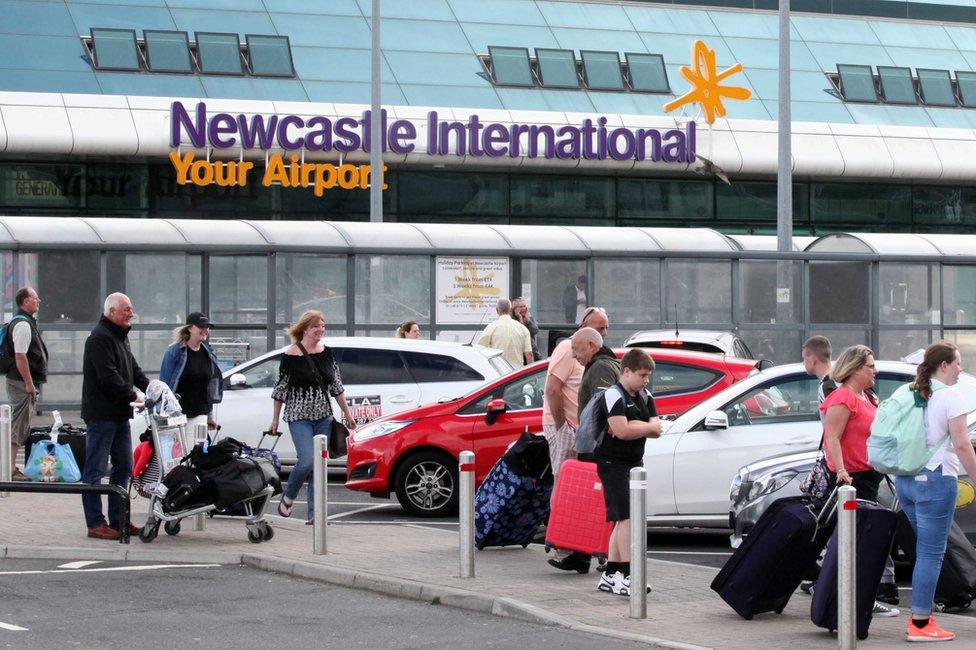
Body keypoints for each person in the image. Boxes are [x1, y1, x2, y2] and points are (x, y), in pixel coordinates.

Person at [896, 341, 976, 642]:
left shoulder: (905, 392)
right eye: (957, 363)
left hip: (905, 480)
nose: (960, 369)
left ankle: (922, 618)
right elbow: (962, 444)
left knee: (924, 552)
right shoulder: (951, 398)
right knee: (931, 554)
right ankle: (919, 623)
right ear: (943, 365)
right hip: (935, 480)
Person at [820, 344, 899, 617]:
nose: (875, 370)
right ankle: (855, 600)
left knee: (862, 540)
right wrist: (841, 471)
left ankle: (855, 598)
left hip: (869, 477)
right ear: (855, 369)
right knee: (857, 541)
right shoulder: (843, 398)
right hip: (852, 481)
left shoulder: (866, 397)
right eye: (870, 366)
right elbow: (832, 437)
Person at [270, 310, 357, 525]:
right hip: (299, 417)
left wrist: (347, 413)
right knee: (306, 460)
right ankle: (288, 497)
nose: (321, 330)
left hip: (324, 417)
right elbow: (280, 391)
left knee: (319, 465)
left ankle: (315, 515)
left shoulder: (328, 353)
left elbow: (336, 386)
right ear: (305, 329)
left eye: (323, 326)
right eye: (316, 326)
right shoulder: (290, 355)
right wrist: (274, 419)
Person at [545, 306, 610, 573]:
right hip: (568, 428)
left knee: (583, 492)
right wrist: (563, 427)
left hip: (581, 432)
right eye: (600, 328)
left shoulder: (597, 358)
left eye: (606, 328)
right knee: (565, 488)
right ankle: (568, 548)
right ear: (585, 328)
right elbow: (552, 389)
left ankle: (578, 552)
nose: (605, 333)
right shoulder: (568, 349)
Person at [81, 293, 149, 540]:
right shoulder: (99, 338)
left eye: (130, 309)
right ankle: (95, 523)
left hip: (120, 414)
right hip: (101, 415)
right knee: (95, 470)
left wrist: (152, 389)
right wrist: (134, 395)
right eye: (126, 310)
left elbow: (133, 370)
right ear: (111, 312)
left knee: (124, 467)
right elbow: (108, 377)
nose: (130, 313)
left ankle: (120, 519)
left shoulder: (120, 337)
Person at [596, 349, 661, 596]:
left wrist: (638, 426)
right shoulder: (613, 395)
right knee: (627, 518)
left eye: (648, 376)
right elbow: (621, 430)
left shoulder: (646, 396)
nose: (646, 380)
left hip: (635, 463)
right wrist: (644, 426)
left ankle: (610, 574)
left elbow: (657, 429)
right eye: (642, 375)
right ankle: (629, 574)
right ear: (626, 371)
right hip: (612, 464)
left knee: (623, 520)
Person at [5, 287, 47, 481]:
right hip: (21, 383)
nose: (38, 300)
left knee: (19, 424)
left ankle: (9, 466)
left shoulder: (25, 322)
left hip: (21, 381)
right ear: (25, 301)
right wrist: (29, 384)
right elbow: (21, 356)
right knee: (18, 425)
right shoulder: (22, 324)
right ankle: (10, 469)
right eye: (35, 298)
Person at [159, 312, 223, 432]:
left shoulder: (209, 354)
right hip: (177, 415)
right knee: (179, 450)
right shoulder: (174, 353)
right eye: (201, 327)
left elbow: (209, 388)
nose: (205, 330)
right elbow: (164, 386)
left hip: (200, 414)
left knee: (197, 449)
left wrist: (209, 417)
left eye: (207, 327)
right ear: (190, 328)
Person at [573, 327, 621, 416]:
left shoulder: (601, 367)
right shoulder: (611, 364)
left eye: (575, 349)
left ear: (591, 346)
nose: (573, 355)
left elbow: (602, 408)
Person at [476, 298, 533, 367]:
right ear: (511, 310)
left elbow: (479, 349)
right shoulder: (522, 328)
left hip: (498, 372)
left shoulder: (491, 327)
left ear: (497, 310)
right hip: (517, 373)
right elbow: (529, 354)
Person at [802, 335, 836, 408]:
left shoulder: (827, 386)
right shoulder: (837, 379)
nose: (803, 363)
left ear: (812, 360)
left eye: (804, 358)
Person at [512, 297, 540, 361]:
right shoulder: (512, 320)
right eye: (520, 307)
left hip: (532, 351)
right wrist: (521, 322)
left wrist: (527, 321)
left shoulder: (528, 317)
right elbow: (520, 335)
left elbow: (535, 330)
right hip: (519, 354)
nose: (523, 309)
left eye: (524, 306)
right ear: (514, 309)